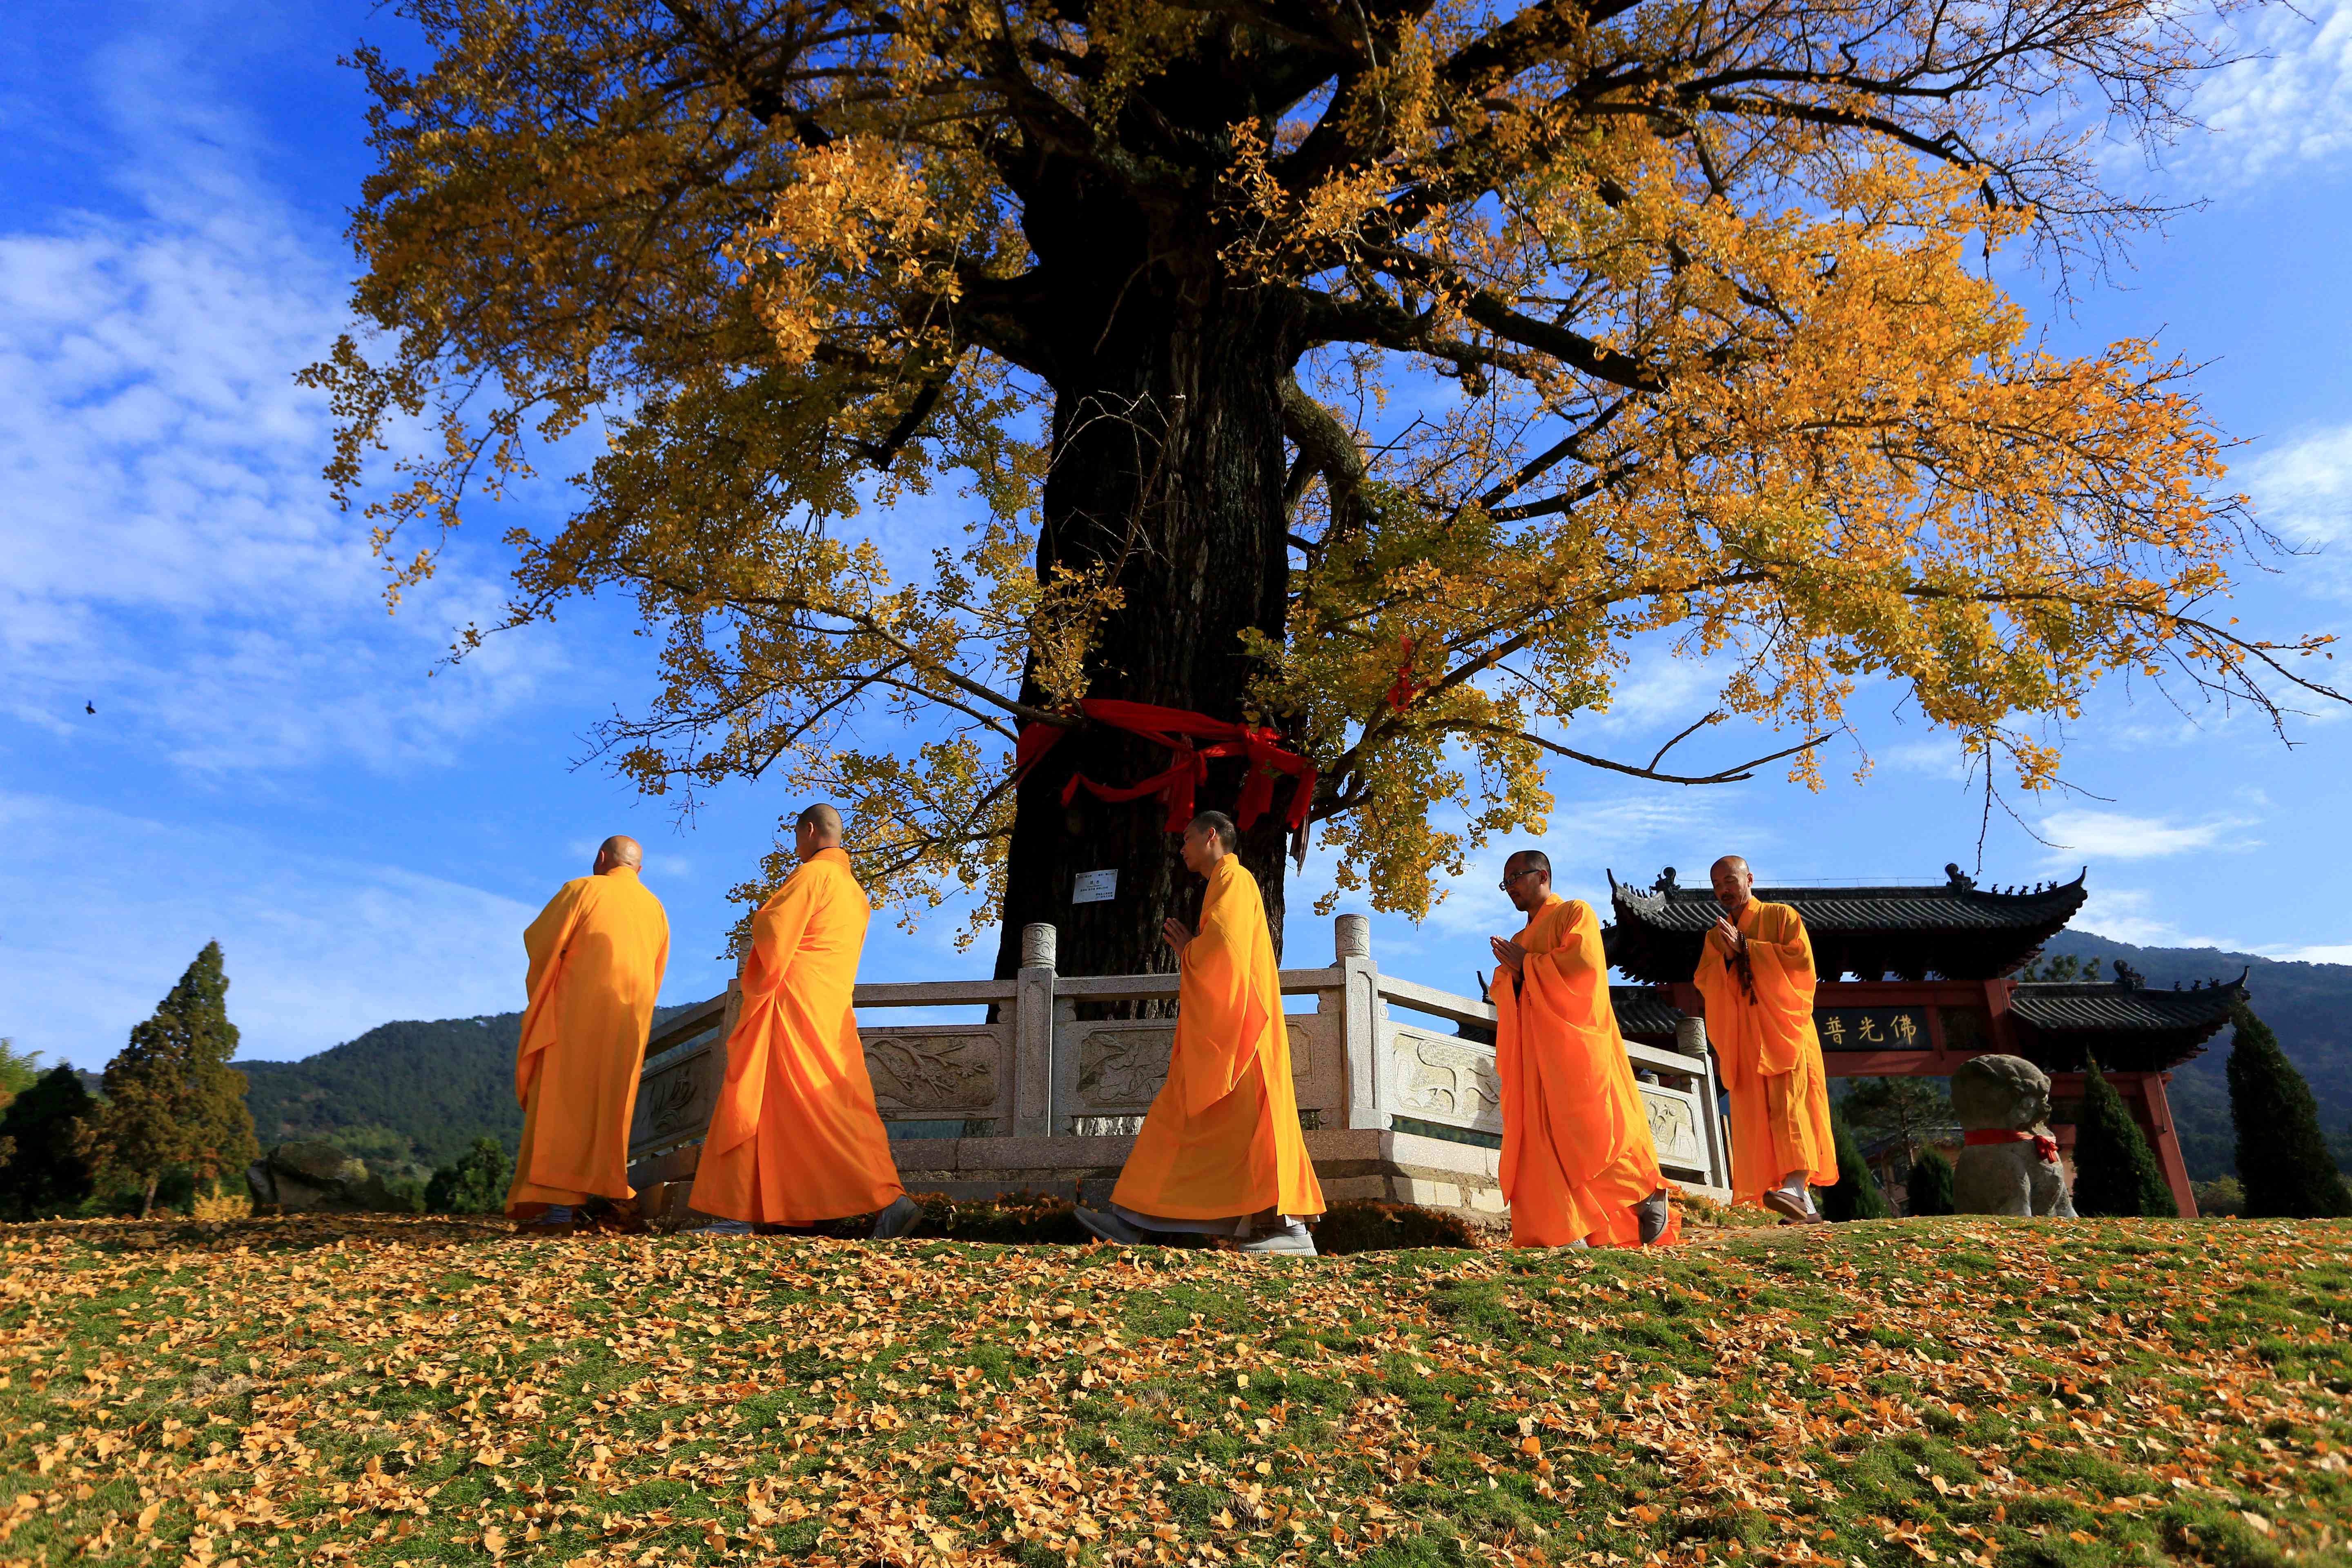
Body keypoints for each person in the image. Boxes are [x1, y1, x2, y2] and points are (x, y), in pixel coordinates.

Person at [1075, 813, 1325, 1254]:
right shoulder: (1225, 883)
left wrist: (1191, 949)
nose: (1181, 848)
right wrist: (1195, 948)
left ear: (1212, 836)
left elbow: (1224, 949)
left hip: (1245, 1038)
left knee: (1259, 1129)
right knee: (1180, 1121)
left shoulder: (1235, 877)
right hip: (1232, 1032)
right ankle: (1131, 1220)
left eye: (1188, 838)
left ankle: (1292, 1229)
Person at [685, 805, 920, 1239]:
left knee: (755, 1099)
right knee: (831, 1108)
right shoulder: (855, 891)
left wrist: (760, 918)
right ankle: (875, 1201)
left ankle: (741, 1212)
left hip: (792, 1005)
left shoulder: (812, 876)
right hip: (830, 1010)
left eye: (797, 838)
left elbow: (774, 933)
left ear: (810, 832)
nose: (796, 847)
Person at [1488, 850, 1677, 1247]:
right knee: (1538, 1138)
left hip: (1574, 1047)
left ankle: (1644, 1194)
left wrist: (1529, 966)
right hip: (1536, 1058)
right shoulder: (1520, 940)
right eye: (1506, 881)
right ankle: (1562, 1230)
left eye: (1516, 877)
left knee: (1589, 1132)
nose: (1511, 887)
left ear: (1543, 876)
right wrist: (1515, 975)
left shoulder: (1576, 913)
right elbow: (1505, 989)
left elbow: (1585, 966)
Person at [507, 835, 672, 1230]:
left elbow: (540, 944)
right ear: (639, 870)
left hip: (575, 1019)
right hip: (625, 1029)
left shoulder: (582, 889)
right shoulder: (657, 910)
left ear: (601, 858)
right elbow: (656, 973)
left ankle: (559, 1212)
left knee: (563, 1108)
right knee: (607, 1114)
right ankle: (608, 1200)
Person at [1691, 854, 1837, 1223]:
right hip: (1748, 1036)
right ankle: (1803, 1200)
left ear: (1749, 878)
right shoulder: (1715, 936)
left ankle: (1795, 1187)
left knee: (1792, 1105)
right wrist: (1726, 960)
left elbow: (1801, 965)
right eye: (1717, 885)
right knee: (1762, 1113)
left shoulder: (1781, 917)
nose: (1723, 890)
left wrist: (1748, 950)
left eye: (1730, 881)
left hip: (1785, 1030)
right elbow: (1707, 983)